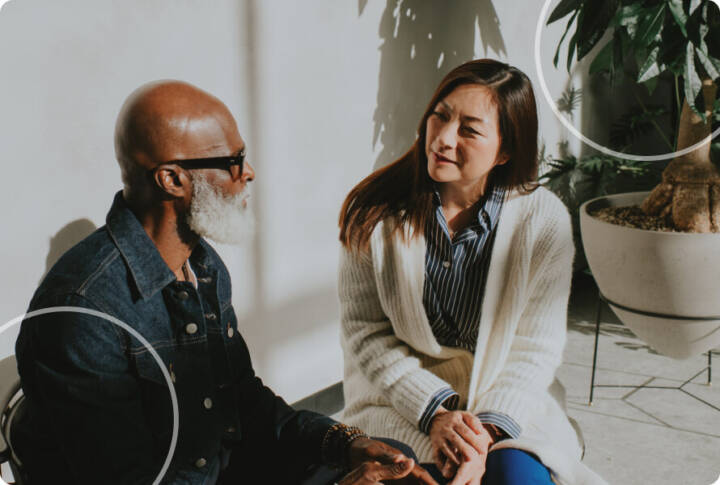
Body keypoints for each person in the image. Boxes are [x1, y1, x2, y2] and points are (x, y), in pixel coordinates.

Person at [14, 81, 437, 485]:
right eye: (233, 161)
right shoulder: (81, 313)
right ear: (172, 180)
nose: (248, 173)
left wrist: (347, 445)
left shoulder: (201, 263)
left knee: (391, 462)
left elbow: (242, 400)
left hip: (226, 470)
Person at [337, 59, 607, 485]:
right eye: (439, 116)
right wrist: (437, 413)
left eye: (469, 129)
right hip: (399, 400)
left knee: (518, 476)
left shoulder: (543, 220)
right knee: (412, 476)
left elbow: (534, 350)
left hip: (506, 399)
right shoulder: (374, 213)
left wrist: (483, 435)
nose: (442, 139)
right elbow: (366, 333)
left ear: (504, 151)